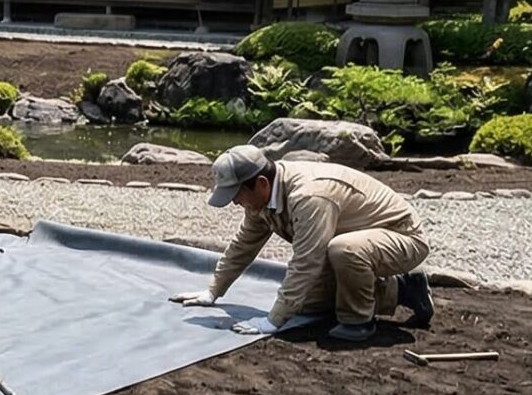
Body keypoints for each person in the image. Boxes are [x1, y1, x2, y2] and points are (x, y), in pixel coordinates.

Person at [172, 144, 433, 343]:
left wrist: (272, 321)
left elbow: (307, 261)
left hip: (401, 236)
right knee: (307, 304)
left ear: (260, 183)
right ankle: (402, 290)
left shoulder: (309, 196)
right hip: (357, 238)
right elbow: (243, 245)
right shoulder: (262, 199)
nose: (234, 202)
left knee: (343, 251)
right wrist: (213, 290)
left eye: (236, 195)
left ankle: (358, 322)